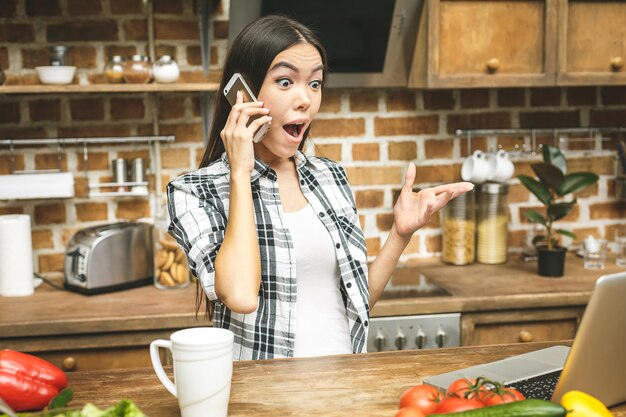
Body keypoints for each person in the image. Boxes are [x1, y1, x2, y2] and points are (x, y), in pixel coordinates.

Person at [167, 15, 473, 360]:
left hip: (341, 388)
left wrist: (400, 234)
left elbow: (354, 303)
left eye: (314, 84)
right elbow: (240, 296)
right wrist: (241, 171)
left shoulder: (329, 177)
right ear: (242, 95)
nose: (305, 100)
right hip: (263, 401)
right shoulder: (196, 191)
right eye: (285, 82)